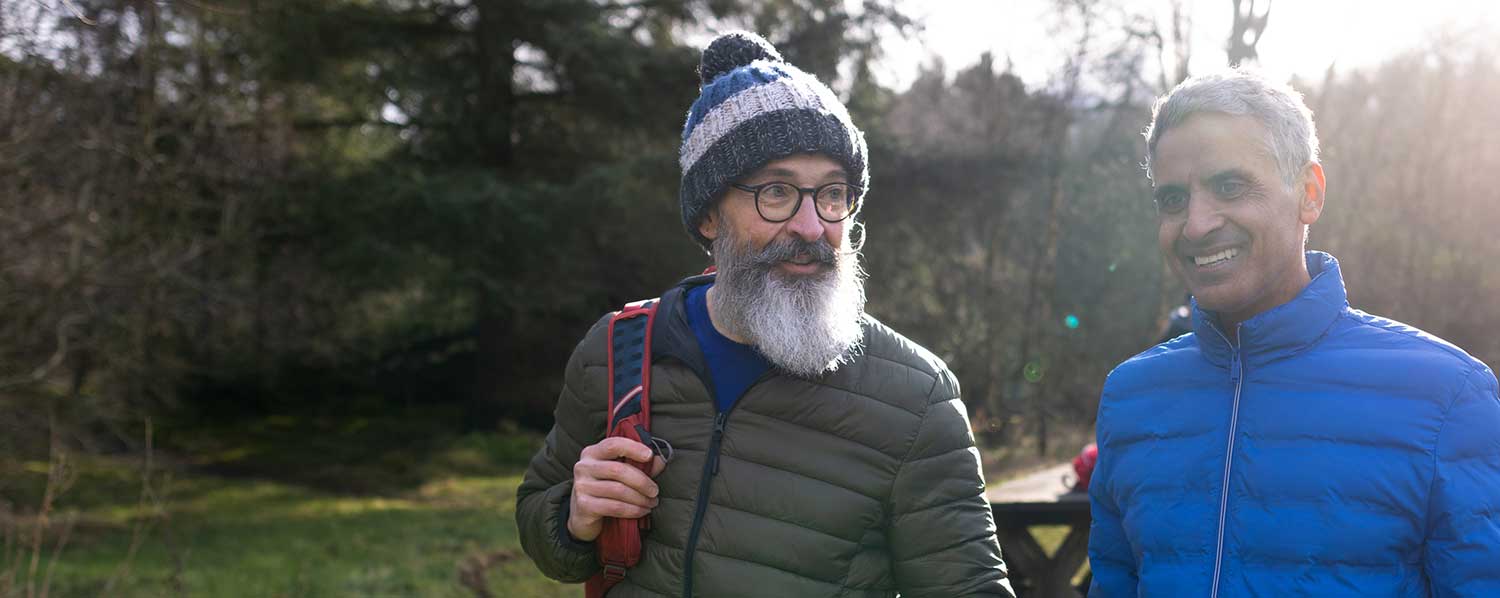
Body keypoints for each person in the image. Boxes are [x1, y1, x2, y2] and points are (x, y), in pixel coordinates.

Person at [515, 31, 1013, 598]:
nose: (810, 226)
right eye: (776, 192)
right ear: (708, 216)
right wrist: (575, 516)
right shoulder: (619, 350)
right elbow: (540, 519)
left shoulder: (916, 397)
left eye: (832, 194)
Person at [1087, 68, 1500, 596]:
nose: (1195, 225)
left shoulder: (1445, 394)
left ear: (1309, 193)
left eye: (1229, 186)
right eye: (1172, 200)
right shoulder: (1131, 397)